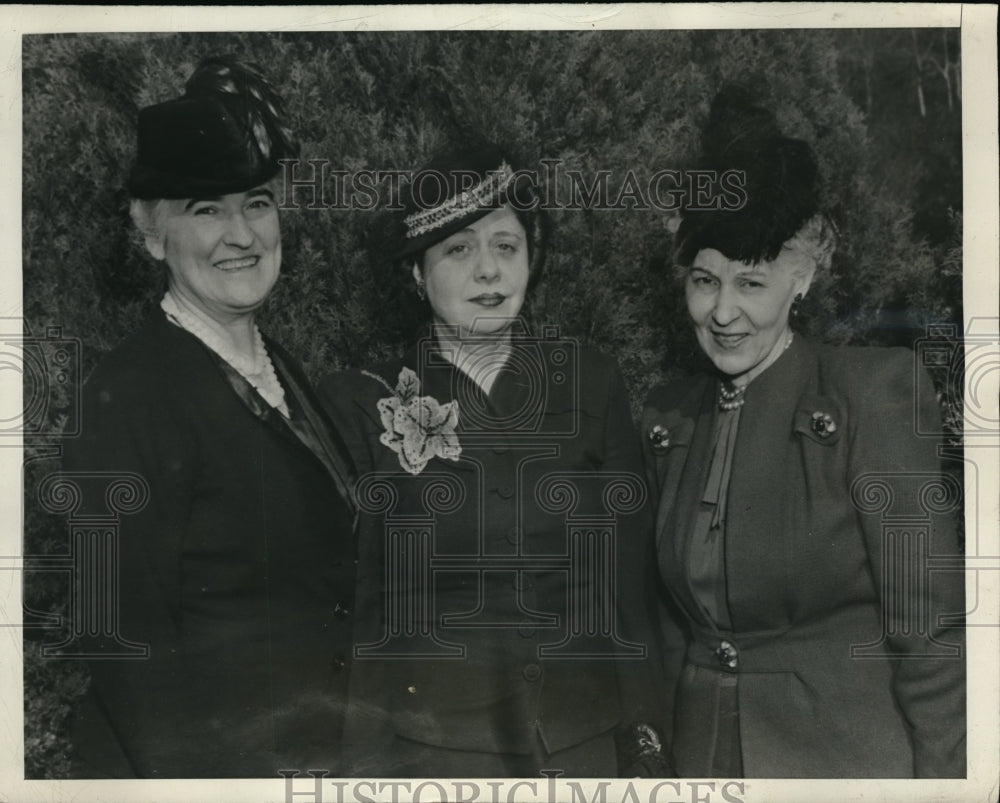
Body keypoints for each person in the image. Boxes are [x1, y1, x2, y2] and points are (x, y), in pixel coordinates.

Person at [642, 86, 966, 778]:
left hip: (844, 761)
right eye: (705, 281)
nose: (722, 312)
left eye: (751, 285)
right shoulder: (668, 415)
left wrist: (946, 784)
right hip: (701, 763)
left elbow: (929, 630)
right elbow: (666, 629)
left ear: (802, 281)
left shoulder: (870, 396)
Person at [320, 143, 671, 777]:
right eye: (459, 249)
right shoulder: (363, 403)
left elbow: (627, 587)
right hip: (437, 756)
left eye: (506, 247)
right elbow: (359, 611)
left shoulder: (590, 383)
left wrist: (644, 738)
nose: (489, 272)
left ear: (530, 262)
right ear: (416, 276)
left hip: (584, 745)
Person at [61, 56, 358, 778]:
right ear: (154, 235)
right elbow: (119, 637)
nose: (242, 233)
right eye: (207, 209)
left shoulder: (278, 365)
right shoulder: (125, 395)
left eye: (256, 202)